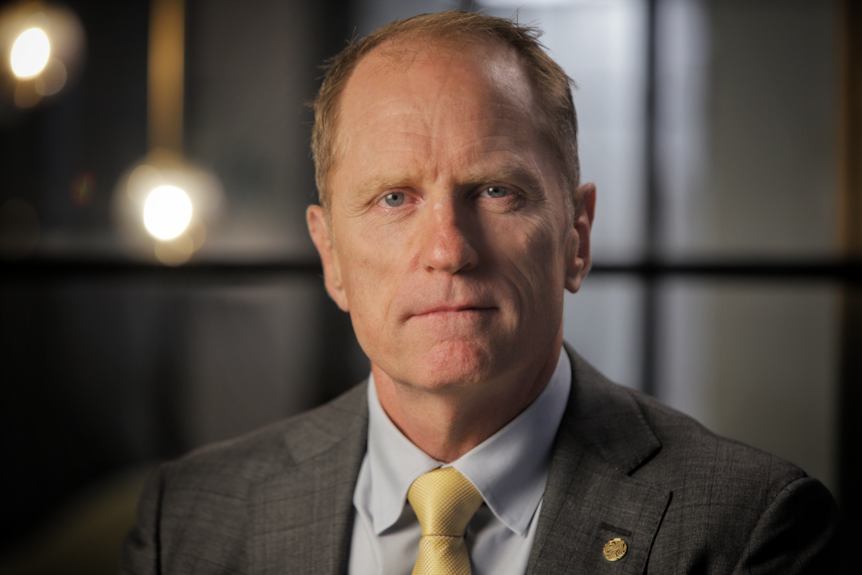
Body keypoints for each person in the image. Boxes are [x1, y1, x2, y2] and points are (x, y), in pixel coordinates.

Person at [120, 10, 838, 574]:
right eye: (395, 198)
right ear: (330, 254)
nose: (449, 251)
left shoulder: (748, 529)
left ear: (576, 236)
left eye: (497, 190)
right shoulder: (189, 519)